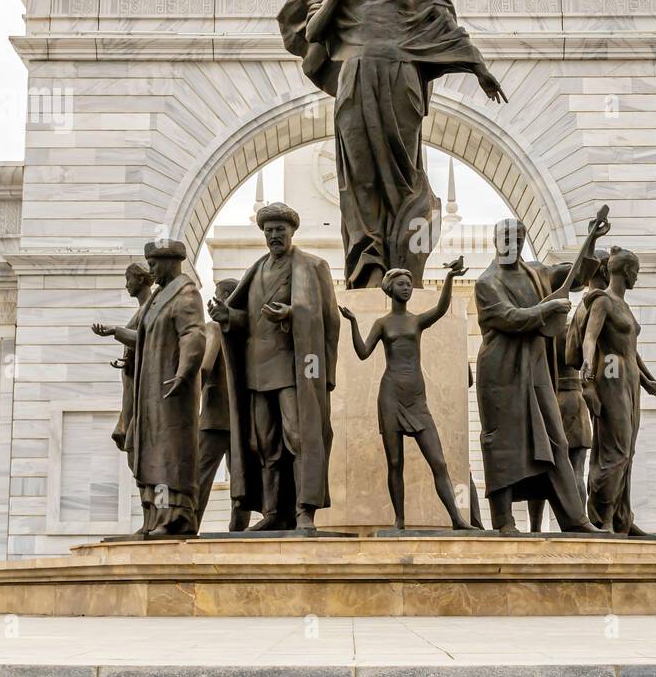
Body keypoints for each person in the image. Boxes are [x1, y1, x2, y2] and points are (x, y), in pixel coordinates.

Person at [278, 0, 507, 290]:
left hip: (402, 82)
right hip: (356, 79)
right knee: (360, 174)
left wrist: (479, 68)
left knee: (406, 176)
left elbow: (446, 29)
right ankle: (367, 267)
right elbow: (312, 33)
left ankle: (403, 267)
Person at [209, 202, 340, 532]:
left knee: (298, 436)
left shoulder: (312, 266)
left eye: (280, 230)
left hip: (294, 370)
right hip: (258, 371)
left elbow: (329, 318)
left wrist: (294, 313)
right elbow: (247, 321)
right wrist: (228, 317)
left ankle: (304, 510)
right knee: (264, 444)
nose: (274, 236)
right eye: (268, 231)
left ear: (292, 231)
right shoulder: (256, 271)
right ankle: (273, 512)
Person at [473, 218, 604, 535]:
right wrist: (547, 310)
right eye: (504, 238)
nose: (510, 244)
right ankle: (504, 522)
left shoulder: (537, 272)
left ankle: (574, 519)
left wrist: (592, 242)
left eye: (516, 239)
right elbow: (509, 317)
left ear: (522, 241)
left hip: (535, 372)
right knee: (502, 444)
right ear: (495, 240)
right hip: (500, 373)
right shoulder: (486, 282)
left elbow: (575, 276)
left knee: (554, 439)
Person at [340, 256, 476, 530]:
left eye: (409, 284)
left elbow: (440, 309)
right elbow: (363, 353)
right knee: (394, 462)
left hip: (416, 398)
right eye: (401, 284)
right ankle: (399, 521)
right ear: (390, 289)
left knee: (438, 460)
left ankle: (457, 519)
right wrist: (354, 323)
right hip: (390, 396)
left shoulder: (416, 321)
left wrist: (450, 278)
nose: (407, 288)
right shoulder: (382, 323)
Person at [567, 246, 656, 535]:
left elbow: (631, 350)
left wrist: (647, 381)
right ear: (624, 271)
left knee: (629, 451)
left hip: (630, 382)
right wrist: (587, 365)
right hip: (610, 380)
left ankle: (623, 517)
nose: (637, 276)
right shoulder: (602, 302)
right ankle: (603, 517)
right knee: (614, 450)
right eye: (635, 271)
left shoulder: (624, 306)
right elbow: (590, 338)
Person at [527, 250, 609, 533]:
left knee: (539, 470)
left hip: (546, 401)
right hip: (573, 400)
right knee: (575, 468)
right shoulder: (574, 326)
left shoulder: (539, 328)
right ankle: (578, 524)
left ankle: (535, 529)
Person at [127, 240, 205, 536]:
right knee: (149, 451)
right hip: (150, 390)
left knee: (168, 454)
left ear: (172, 262)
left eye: (154, 264)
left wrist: (184, 372)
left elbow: (193, 334)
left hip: (172, 388)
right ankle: (153, 518)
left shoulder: (185, 293)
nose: (151, 271)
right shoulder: (158, 297)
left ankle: (174, 518)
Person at [91, 261, 153, 476]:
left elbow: (150, 340)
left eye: (129, 279)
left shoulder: (152, 307)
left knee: (137, 452)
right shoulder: (143, 310)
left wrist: (115, 331)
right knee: (133, 453)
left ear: (141, 279)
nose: (126, 285)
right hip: (131, 385)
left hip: (142, 389)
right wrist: (128, 360)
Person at [194, 279, 237, 531]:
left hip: (214, 417)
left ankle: (189, 524)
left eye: (217, 296)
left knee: (199, 475)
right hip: (240, 418)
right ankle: (238, 531)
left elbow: (206, 367)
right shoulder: (244, 330)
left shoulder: (215, 328)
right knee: (240, 481)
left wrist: (188, 396)